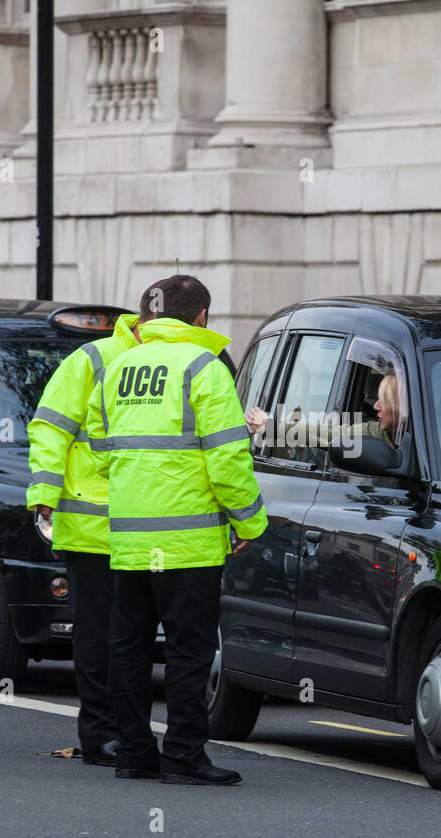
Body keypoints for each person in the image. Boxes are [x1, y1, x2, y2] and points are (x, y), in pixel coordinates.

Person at [91, 275, 266, 785]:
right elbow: (229, 461)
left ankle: (133, 754)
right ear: (202, 317)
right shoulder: (204, 369)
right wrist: (250, 521)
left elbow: (102, 453)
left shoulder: (119, 368)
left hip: (128, 538)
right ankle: (184, 754)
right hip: (188, 543)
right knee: (189, 652)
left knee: (128, 648)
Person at [27, 311, 143, 767]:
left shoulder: (178, 361)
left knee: (130, 638)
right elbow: (50, 427)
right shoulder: (93, 359)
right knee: (100, 635)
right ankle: (100, 735)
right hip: (95, 529)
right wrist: (44, 495)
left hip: (153, 530)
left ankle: (130, 735)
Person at [245, 373, 441, 452]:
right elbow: (327, 433)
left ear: (403, 408)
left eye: (384, 401)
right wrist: (273, 426)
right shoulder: (371, 432)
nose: (376, 407)